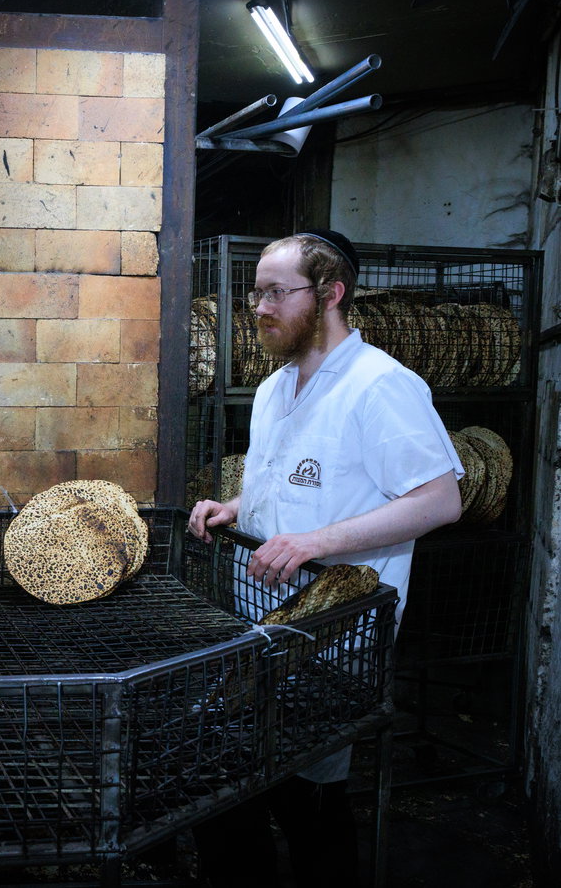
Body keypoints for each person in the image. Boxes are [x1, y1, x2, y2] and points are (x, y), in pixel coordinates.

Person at [187, 229, 464, 888]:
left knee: (304, 799)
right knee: (229, 789)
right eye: (255, 293)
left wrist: (316, 542)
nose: (259, 307)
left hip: (332, 639)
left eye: (276, 292)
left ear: (332, 292)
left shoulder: (382, 387)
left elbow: (440, 500)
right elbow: (289, 484)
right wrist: (238, 509)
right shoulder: (274, 389)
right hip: (262, 624)